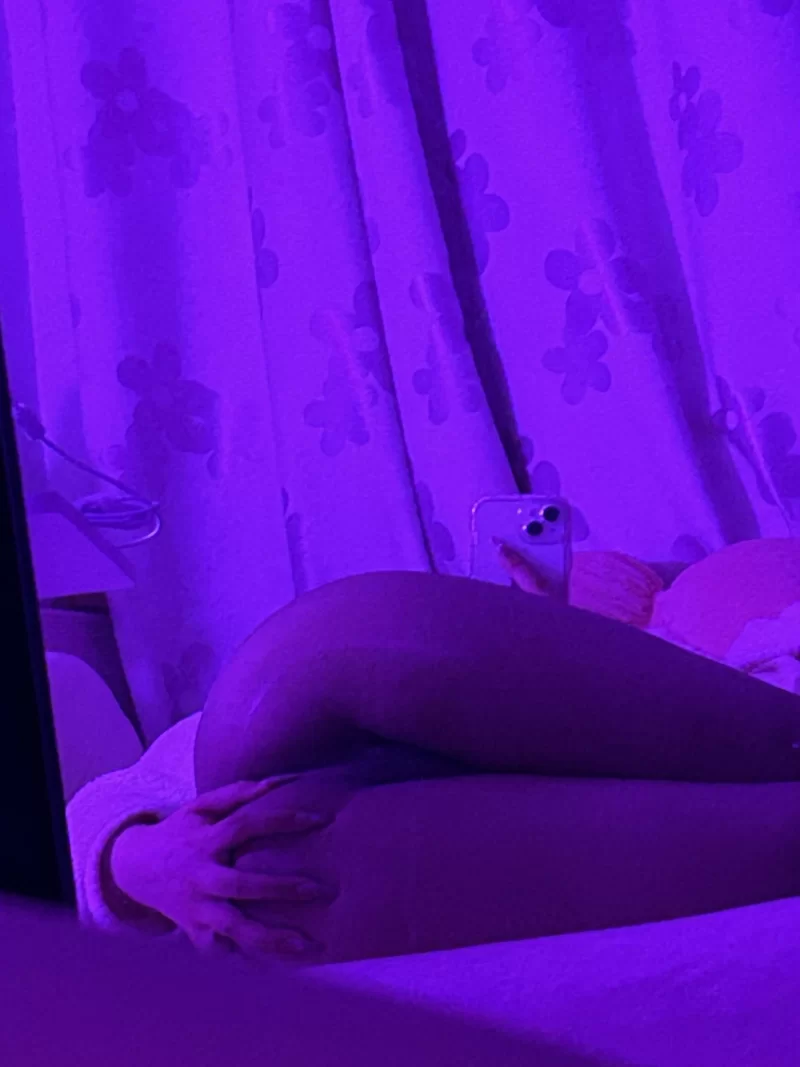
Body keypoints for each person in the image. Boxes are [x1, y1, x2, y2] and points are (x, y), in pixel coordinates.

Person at [67, 546, 800, 963]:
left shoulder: (726, 650)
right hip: (294, 764)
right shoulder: (279, 711)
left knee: (264, 872)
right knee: (293, 685)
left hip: (412, 811)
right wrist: (134, 861)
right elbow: (102, 807)